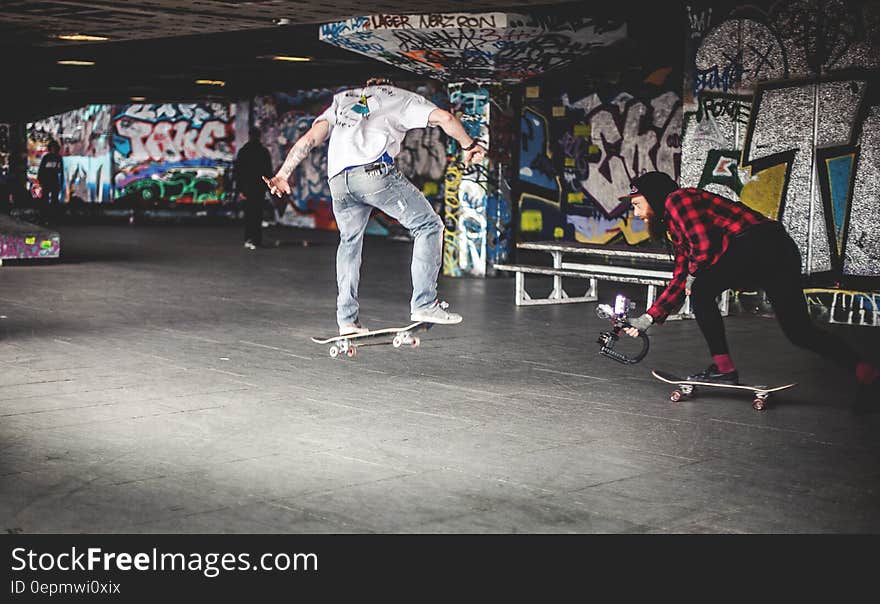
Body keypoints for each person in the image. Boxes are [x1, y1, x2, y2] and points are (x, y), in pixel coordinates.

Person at [264, 78, 487, 336]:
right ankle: (425, 303)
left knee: (349, 243)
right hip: (373, 174)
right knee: (428, 225)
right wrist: (469, 145)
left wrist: (282, 174)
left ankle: (347, 321)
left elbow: (310, 138)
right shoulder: (400, 97)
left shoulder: (343, 99)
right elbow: (445, 119)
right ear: (387, 84)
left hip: (338, 182)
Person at [621, 171, 879, 392]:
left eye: (637, 204)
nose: (637, 213)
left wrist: (693, 277)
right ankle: (863, 370)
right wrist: (647, 319)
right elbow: (682, 274)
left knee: (700, 291)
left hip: (755, 243)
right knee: (799, 332)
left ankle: (724, 369)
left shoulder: (678, 199)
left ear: (654, 197)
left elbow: (704, 248)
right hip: (780, 250)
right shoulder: (677, 228)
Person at [234, 127, 273, 249]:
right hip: (259, 188)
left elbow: (238, 172)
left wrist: (239, 189)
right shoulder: (264, 152)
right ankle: (257, 239)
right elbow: (268, 171)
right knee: (258, 214)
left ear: (249, 136)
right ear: (259, 136)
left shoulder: (243, 151)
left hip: (247, 188)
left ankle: (248, 238)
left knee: (249, 214)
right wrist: (268, 186)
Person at [37, 140, 63, 205]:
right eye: (52, 147)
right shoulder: (46, 158)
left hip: (55, 180)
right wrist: (40, 180)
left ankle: (53, 212)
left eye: (54, 147)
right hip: (46, 180)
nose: (53, 149)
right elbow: (41, 169)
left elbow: (61, 171)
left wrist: (61, 182)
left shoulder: (59, 158)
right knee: (45, 198)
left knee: (55, 199)